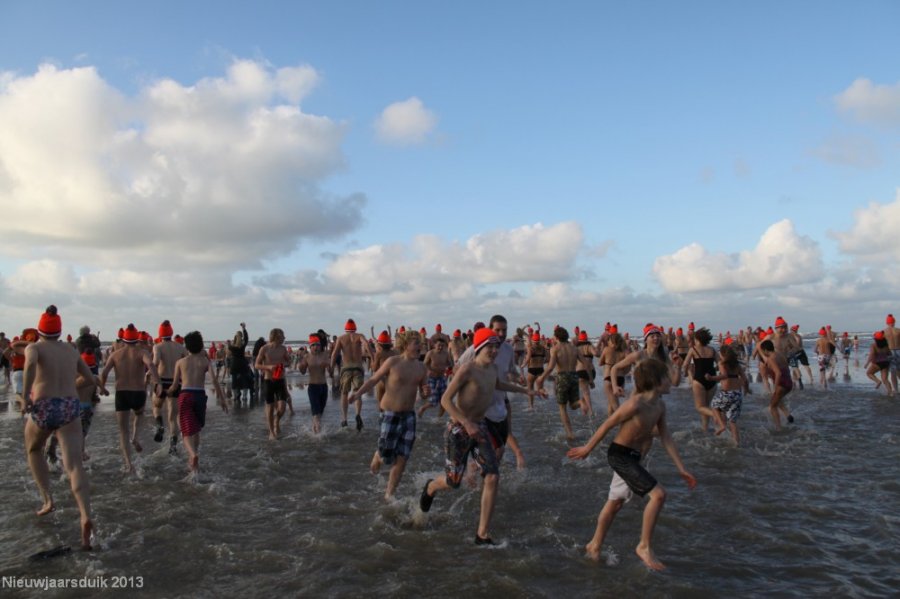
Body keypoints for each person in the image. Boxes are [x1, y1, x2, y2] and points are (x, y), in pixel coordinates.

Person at [567, 359, 696, 571]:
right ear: (656, 381)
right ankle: (644, 546)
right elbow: (609, 423)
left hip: (634, 457)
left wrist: (681, 468)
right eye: (667, 376)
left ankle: (594, 545)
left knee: (615, 502)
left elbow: (666, 437)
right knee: (659, 495)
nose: (672, 380)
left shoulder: (660, 405)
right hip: (620, 456)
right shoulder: (635, 404)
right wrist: (587, 448)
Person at [419, 327, 542, 544]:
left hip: (480, 427)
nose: (495, 351)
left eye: (496, 346)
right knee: (454, 482)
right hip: (458, 428)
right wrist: (465, 422)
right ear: (479, 347)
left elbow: (500, 385)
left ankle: (482, 533)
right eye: (490, 346)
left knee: (492, 475)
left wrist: (527, 391)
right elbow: (446, 400)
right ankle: (431, 486)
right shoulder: (467, 370)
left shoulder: (493, 368)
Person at [21, 306, 95, 549]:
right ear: (59, 331)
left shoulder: (34, 347)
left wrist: (25, 396)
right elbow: (89, 379)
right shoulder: (70, 349)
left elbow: (30, 365)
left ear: (40, 330)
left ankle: (47, 499)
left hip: (43, 405)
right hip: (69, 406)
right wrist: (69, 388)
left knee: (33, 449)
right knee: (74, 464)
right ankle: (85, 514)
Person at [349, 330, 429, 499]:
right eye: (416, 343)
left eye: (420, 344)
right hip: (389, 414)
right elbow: (373, 379)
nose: (419, 347)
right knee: (387, 456)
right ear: (406, 345)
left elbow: (423, 391)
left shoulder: (422, 367)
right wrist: (357, 394)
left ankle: (389, 494)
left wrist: (425, 392)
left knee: (402, 458)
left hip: (409, 416)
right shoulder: (393, 362)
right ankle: (378, 454)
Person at [99, 324, 159, 473]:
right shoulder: (142, 352)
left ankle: (128, 463)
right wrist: (157, 382)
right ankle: (135, 437)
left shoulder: (115, 355)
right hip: (138, 392)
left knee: (122, 431)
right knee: (139, 414)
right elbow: (151, 364)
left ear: (124, 339)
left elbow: (104, 372)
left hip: (122, 393)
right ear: (136, 339)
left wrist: (102, 388)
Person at [168, 331, 227, 471]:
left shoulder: (181, 362)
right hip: (200, 396)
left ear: (186, 347)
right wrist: (222, 399)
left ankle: (192, 454)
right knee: (196, 428)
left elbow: (175, 385)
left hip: (186, 395)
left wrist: (166, 392)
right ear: (201, 346)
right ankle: (194, 460)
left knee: (186, 431)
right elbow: (213, 380)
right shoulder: (205, 361)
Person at [535, 326, 593, 441]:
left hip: (562, 377)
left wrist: (541, 377)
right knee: (573, 405)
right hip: (574, 376)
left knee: (562, 408)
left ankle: (570, 433)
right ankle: (580, 402)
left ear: (556, 337)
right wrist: (590, 379)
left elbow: (551, 367)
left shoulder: (555, 348)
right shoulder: (574, 348)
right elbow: (586, 363)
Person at [151, 320, 188, 453]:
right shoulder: (180, 347)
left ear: (160, 333)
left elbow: (155, 362)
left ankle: (160, 425)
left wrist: (149, 373)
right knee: (172, 417)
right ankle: (173, 446)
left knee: (156, 406)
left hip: (162, 381)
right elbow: (187, 362)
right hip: (175, 383)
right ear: (171, 333)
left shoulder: (158, 347)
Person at [331, 319, 373, 430]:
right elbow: (367, 345)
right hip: (358, 367)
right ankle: (358, 415)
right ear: (355, 328)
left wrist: (331, 367)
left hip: (346, 368)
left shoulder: (341, 338)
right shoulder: (359, 336)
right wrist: (372, 359)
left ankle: (344, 419)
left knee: (344, 393)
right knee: (357, 392)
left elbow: (334, 353)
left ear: (345, 329)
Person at [681, 327, 725, 432]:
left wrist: (685, 373)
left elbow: (685, 364)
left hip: (699, 380)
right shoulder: (713, 350)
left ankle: (716, 415)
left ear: (698, 339)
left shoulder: (693, 349)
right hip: (712, 380)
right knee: (706, 406)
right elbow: (721, 363)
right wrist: (715, 371)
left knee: (700, 407)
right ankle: (705, 428)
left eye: (695, 339)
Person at [705, 345, 751, 446]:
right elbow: (745, 379)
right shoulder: (737, 365)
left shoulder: (722, 363)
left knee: (714, 405)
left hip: (727, 393)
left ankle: (722, 426)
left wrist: (711, 378)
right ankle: (736, 443)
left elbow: (724, 375)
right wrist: (747, 389)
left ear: (722, 354)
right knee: (733, 421)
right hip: (737, 394)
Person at [255, 328, 291, 440]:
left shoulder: (283, 349)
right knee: (270, 407)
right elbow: (256, 365)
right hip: (268, 380)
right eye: (282, 335)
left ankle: (277, 419)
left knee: (282, 408)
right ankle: (271, 432)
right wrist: (268, 367)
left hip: (280, 380)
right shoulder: (264, 348)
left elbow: (289, 361)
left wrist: (283, 364)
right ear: (276, 337)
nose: (284, 337)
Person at [298, 334, 333, 433]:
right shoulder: (307, 357)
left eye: (317, 345)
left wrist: (328, 366)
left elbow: (330, 373)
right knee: (316, 413)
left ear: (320, 346)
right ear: (310, 347)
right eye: (313, 345)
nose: (316, 347)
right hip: (313, 387)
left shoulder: (324, 355)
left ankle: (315, 430)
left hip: (323, 387)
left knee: (320, 413)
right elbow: (302, 372)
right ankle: (318, 435)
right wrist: (300, 362)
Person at [757, 339, 794, 430]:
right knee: (777, 401)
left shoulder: (771, 359)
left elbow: (778, 373)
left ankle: (778, 427)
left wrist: (775, 386)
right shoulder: (780, 354)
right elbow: (785, 368)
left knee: (772, 406)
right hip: (789, 382)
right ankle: (788, 416)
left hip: (782, 384)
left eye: (763, 351)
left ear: (765, 350)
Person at [419, 337, 453, 418]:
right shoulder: (430, 353)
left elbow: (450, 365)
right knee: (434, 401)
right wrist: (429, 370)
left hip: (442, 378)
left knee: (444, 400)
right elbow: (424, 365)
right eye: (439, 345)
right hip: (432, 378)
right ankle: (423, 408)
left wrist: (449, 368)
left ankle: (438, 419)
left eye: (442, 346)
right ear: (434, 345)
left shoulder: (446, 354)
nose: (440, 347)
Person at [598, 328, 628, 416]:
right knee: (611, 403)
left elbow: (600, 363)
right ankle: (610, 423)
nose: (608, 342)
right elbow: (629, 362)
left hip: (608, 378)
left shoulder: (607, 349)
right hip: (621, 378)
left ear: (612, 342)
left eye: (609, 341)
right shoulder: (624, 351)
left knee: (615, 405)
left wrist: (607, 362)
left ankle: (625, 423)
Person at [865, 331, 894, 396]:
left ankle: (878, 381)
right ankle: (891, 393)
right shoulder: (886, 345)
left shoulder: (873, 345)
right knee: (885, 379)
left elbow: (871, 354)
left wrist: (867, 363)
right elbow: (890, 354)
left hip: (877, 363)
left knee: (869, 373)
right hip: (886, 363)